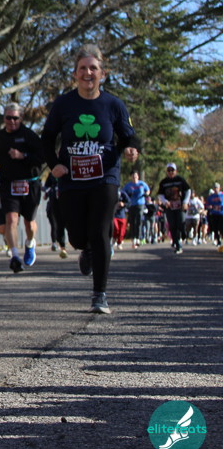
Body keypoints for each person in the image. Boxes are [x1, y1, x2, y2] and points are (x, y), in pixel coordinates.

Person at [41, 45, 140, 314]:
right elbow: (47, 138)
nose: (88, 73)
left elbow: (129, 136)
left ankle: (100, 295)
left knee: (100, 231)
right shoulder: (63, 104)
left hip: (105, 176)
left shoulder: (114, 105)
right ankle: (85, 250)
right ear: (75, 74)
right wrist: (54, 164)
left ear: (102, 74)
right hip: (72, 178)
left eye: (93, 68)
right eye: (82, 68)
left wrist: (131, 148)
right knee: (77, 236)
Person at [0, 103, 45, 273]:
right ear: (4, 118)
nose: (12, 121)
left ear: (21, 118)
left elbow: (41, 158)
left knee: (29, 223)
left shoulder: (30, 136)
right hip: (8, 183)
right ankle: (15, 256)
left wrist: (22, 155)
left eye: (15, 118)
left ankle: (30, 243)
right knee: (11, 219)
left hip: (30, 183)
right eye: (8, 117)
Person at [155, 163, 191, 254]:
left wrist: (185, 201)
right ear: (166, 171)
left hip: (180, 206)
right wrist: (165, 201)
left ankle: (184, 235)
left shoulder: (180, 180)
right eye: (169, 170)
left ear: (176, 171)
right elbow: (160, 194)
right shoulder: (164, 182)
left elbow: (188, 190)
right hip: (170, 207)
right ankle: (177, 244)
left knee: (181, 222)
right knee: (172, 225)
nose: (171, 172)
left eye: (172, 170)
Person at [121, 171, 150, 248]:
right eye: (133, 176)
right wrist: (126, 197)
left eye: (136, 176)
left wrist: (146, 194)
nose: (135, 178)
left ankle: (138, 237)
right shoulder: (128, 185)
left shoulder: (142, 184)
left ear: (138, 176)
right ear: (131, 177)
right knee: (132, 221)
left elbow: (148, 190)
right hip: (131, 205)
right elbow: (123, 193)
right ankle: (133, 237)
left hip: (140, 204)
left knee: (139, 220)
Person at [43, 174, 68, 258]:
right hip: (54, 204)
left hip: (68, 203)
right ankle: (61, 246)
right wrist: (48, 192)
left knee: (70, 224)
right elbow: (45, 187)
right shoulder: (52, 175)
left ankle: (77, 242)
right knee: (56, 225)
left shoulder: (69, 172)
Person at [206, 183, 223, 249]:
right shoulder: (211, 197)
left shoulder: (222, 195)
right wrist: (209, 206)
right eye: (215, 188)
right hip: (213, 214)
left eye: (217, 188)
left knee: (221, 228)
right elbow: (207, 204)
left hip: (221, 214)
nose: (216, 189)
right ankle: (218, 241)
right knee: (215, 228)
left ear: (219, 188)